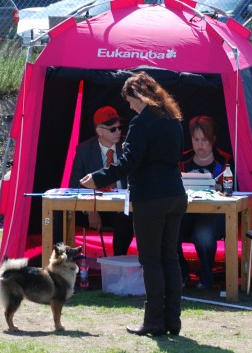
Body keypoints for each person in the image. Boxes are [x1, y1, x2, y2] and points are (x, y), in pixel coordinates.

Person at [80, 72, 187, 337]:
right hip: (175, 195)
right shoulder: (173, 120)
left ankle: (153, 322)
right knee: (170, 258)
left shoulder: (143, 122)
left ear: (139, 96)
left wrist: (98, 178)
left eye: (130, 100)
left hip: (151, 199)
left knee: (151, 261)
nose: (129, 106)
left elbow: (129, 163)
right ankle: (172, 321)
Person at [69, 106, 134, 256]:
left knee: (124, 220)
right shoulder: (84, 150)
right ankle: (62, 264)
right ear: (99, 131)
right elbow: (74, 186)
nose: (118, 131)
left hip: (122, 208)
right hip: (94, 206)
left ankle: (118, 263)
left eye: (119, 127)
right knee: (59, 215)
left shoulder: (129, 147)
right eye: (113, 129)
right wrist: (90, 209)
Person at [178, 115, 232, 289]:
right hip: (185, 212)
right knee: (168, 231)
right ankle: (182, 273)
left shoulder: (225, 161)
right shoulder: (182, 161)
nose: (199, 145)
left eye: (204, 140)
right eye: (196, 140)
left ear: (213, 139)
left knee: (203, 236)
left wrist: (220, 189)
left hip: (214, 213)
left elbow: (231, 190)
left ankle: (207, 276)